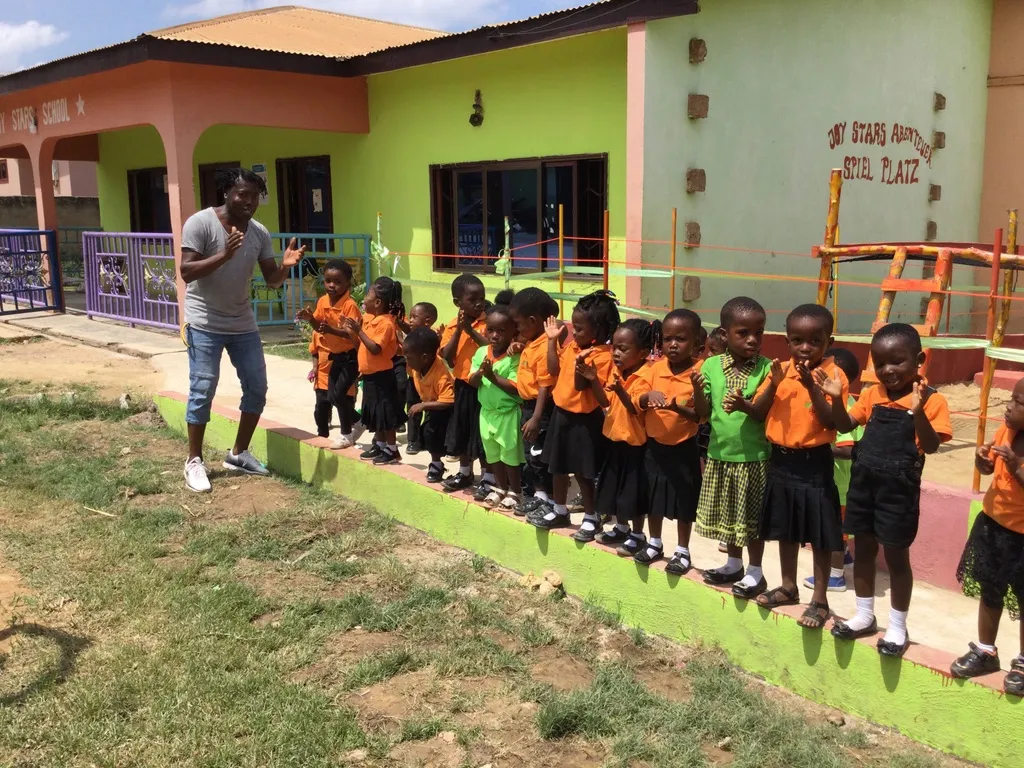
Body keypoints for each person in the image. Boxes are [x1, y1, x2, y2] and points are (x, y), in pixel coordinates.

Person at [822, 323, 952, 657]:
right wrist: (837, 400)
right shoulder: (871, 394)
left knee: (896, 558)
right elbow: (846, 425)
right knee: (864, 551)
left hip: (899, 492)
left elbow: (933, 445)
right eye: (880, 364)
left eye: (897, 362)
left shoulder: (932, 400)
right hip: (864, 485)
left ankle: (897, 626)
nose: (887, 371)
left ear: (919, 359)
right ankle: (864, 615)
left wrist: (918, 411)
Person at [179, 168, 305, 493]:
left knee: (257, 387)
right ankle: (194, 461)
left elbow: (271, 280)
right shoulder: (201, 223)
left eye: (255, 196)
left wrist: (286, 268)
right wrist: (224, 254)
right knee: (203, 387)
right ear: (226, 193)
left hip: (241, 321)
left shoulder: (259, 232)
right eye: (242, 194)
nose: (249, 201)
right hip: (205, 321)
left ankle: (238, 453)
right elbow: (187, 272)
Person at [744, 304, 847, 629]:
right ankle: (788, 586)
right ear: (787, 341)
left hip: (813, 463)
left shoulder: (832, 374)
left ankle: (819, 600)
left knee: (818, 534)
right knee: (785, 528)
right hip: (781, 461)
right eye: (797, 340)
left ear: (828, 342)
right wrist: (774, 384)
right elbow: (759, 412)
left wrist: (811, 386)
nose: (805, 348)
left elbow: (834, 422)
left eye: (814, 341)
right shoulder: (780, 371)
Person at [694, 297, 773, 598]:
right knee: (730, 516)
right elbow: (703, 412)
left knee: (751, 520)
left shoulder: (766, 369)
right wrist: (695, 388)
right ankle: (733, 564)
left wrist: (745, 404)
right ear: (725, 335)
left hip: (753, 457)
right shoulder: (711, 366)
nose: (753, 339)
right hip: (720, 454)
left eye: (759, 332)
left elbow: (763, 411)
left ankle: (756, 572)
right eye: (744, 333)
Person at [951, 377, 1024, 695]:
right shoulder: (1006, 431)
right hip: (992, 527)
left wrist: (1017, 465)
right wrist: (983, 461)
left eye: (1018, 402)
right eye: (1012, 398)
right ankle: (985, 650)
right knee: (990, 591)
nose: (1008, 406)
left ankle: (1022, 662)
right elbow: (988, 470)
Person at [531, 291, 619, 533]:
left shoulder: (601, 356)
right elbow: (553, 369)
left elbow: (584, 387)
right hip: (562, 415)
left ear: (599, 329)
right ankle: (560, 510)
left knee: (583, 473)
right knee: (557, 468)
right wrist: (551, 341)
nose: (574, 333)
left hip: (585, 421)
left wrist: (582, 366)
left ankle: (591, 516)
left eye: (579, 329)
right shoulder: (572, 347)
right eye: (574, 327)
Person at [630, 309, 705, 573]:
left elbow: (701, 415)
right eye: (667, 338)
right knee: (654, 497)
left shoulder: (700, 372)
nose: (673, 345)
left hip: (683, 447)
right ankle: (654, 542)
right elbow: (634, 398)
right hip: (654, 446)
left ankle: (683, 550)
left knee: (684, 500)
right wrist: (646, 396)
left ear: (696, 343)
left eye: (681, 339)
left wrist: (677, 408)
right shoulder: (653, 369)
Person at [585, 319, 653, 547]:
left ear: (643, 353)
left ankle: (637, 534)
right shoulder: (618, 372)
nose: (616, 353)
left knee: (633, 493)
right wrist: (594, 380)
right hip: (615, 440)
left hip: (635, 445)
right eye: (614, 347)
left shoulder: (645, 376)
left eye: (623, 349)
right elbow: (605, 401)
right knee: (616, 490)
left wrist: (621, 390)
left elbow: (634, 407)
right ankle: (621, 527)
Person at [803, 347, 862, 592]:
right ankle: (845, 556)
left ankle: (836, 575)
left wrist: (816, 446)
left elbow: (848, 449)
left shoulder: (845, 406)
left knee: (834, 530)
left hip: (839, 483)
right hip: (832, 480)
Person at [296, 259, 364, 450]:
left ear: (348, 284)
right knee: (333, 396)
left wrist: (332, 330)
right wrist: (310, 319)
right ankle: (360, 421)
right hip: (336, 357)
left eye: (338, 282)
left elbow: (353, 335)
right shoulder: (323, 301)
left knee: (340, 394)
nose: (332, 285)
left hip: (351, 356)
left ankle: (345, 434)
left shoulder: (350, 306)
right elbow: (319, 327)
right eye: (328, 281)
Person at [440, 275, 493, 496]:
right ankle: (464, 472)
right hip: (463, 385)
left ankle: (488, 477)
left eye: (482, 298)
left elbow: (491, 346)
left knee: (483, 434)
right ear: (457, 302)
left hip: (484, 385)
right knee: (462, 429)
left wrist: (471, 331)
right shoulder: (452, 326)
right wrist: (461, 329)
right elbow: (447, 356)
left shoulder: (489, 322)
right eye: (472, 299)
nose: (479, 303)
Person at [345, 276, 406, 466]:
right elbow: (360, 346)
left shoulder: (386, 323)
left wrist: (359, 331)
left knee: (385, 413)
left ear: (378, 302)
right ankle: (380, 444)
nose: (364, 298)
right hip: (370, 376)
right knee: (375, 413)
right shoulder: (370, 319)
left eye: (368, 294)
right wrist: (352, 330)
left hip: (382, 377)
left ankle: (392, 449)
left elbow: (375, 348)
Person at [510, 288, 560, 517]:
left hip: (541, 410)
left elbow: (545, 385)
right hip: (529, 407)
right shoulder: (533, 343)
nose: (517, 330)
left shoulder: (545, 347)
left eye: (519, 324)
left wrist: (536, 418)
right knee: (532, 454)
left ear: (532, 321)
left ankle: (548, 499)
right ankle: (540, 495)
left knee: (540, 455)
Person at [469, 300, 524, 510]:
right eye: (491, 330)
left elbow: (515, 387)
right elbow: (472, 381)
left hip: (507, 413)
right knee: (493, 454)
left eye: (501, 331)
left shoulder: (515, 357)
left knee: (509, 454)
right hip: (487, 412)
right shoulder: (481, 353)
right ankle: (500, 488)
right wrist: (480, 373)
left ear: (513, 332)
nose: (495, 336)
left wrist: (491, 376)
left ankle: (515, 491)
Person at [404, 326, 454, 484]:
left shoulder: (441, 375)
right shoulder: (417, 366)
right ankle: (436, 464)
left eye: (409, 358)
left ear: (424, 357)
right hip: (433, 405)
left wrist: (423, 406)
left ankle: (463, 470)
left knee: (446, 438)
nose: (407, 361)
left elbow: (449, 401)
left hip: (447, 409)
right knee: (428, 433)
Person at [399, 302, 439, 456]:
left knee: (429, 411)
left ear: (427, 321)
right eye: (410, 316)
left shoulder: (432, 337)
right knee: (413, 409)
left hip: (430, 380)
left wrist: (402, 343)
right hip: (413, 378)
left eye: (414, 317)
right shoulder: (411, 334)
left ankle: (425, 439)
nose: (410, 320)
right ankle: (412, 440)